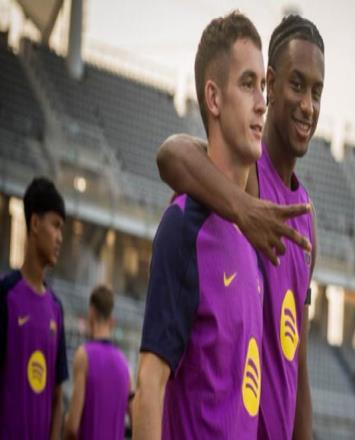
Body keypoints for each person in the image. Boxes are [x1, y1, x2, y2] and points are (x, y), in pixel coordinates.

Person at [156, 14, 325, 439]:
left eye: (317, 92)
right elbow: (171, 155)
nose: (308, 105)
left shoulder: (307, 218)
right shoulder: (245, 173)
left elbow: (298, 364)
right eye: (297, 85)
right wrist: (244, 209)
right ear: (271, 84)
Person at [133, 11, 266, 439]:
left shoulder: (251, 239)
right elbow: (149, 387)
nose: (262, 102)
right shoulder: (183, 227)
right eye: (248, 84)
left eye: (263, 86)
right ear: (213, 98)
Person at [0, 177, 68, 439]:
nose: (60, 238)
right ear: (35, 223)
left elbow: (58, 396)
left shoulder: (56, 309)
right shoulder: (6, 294)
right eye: (56, 225)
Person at [64, 285, 131, 440]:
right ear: (112, 321)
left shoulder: (84, 355)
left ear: (91, 313)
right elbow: (133, 415)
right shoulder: (124, 364)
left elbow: (72, 427)